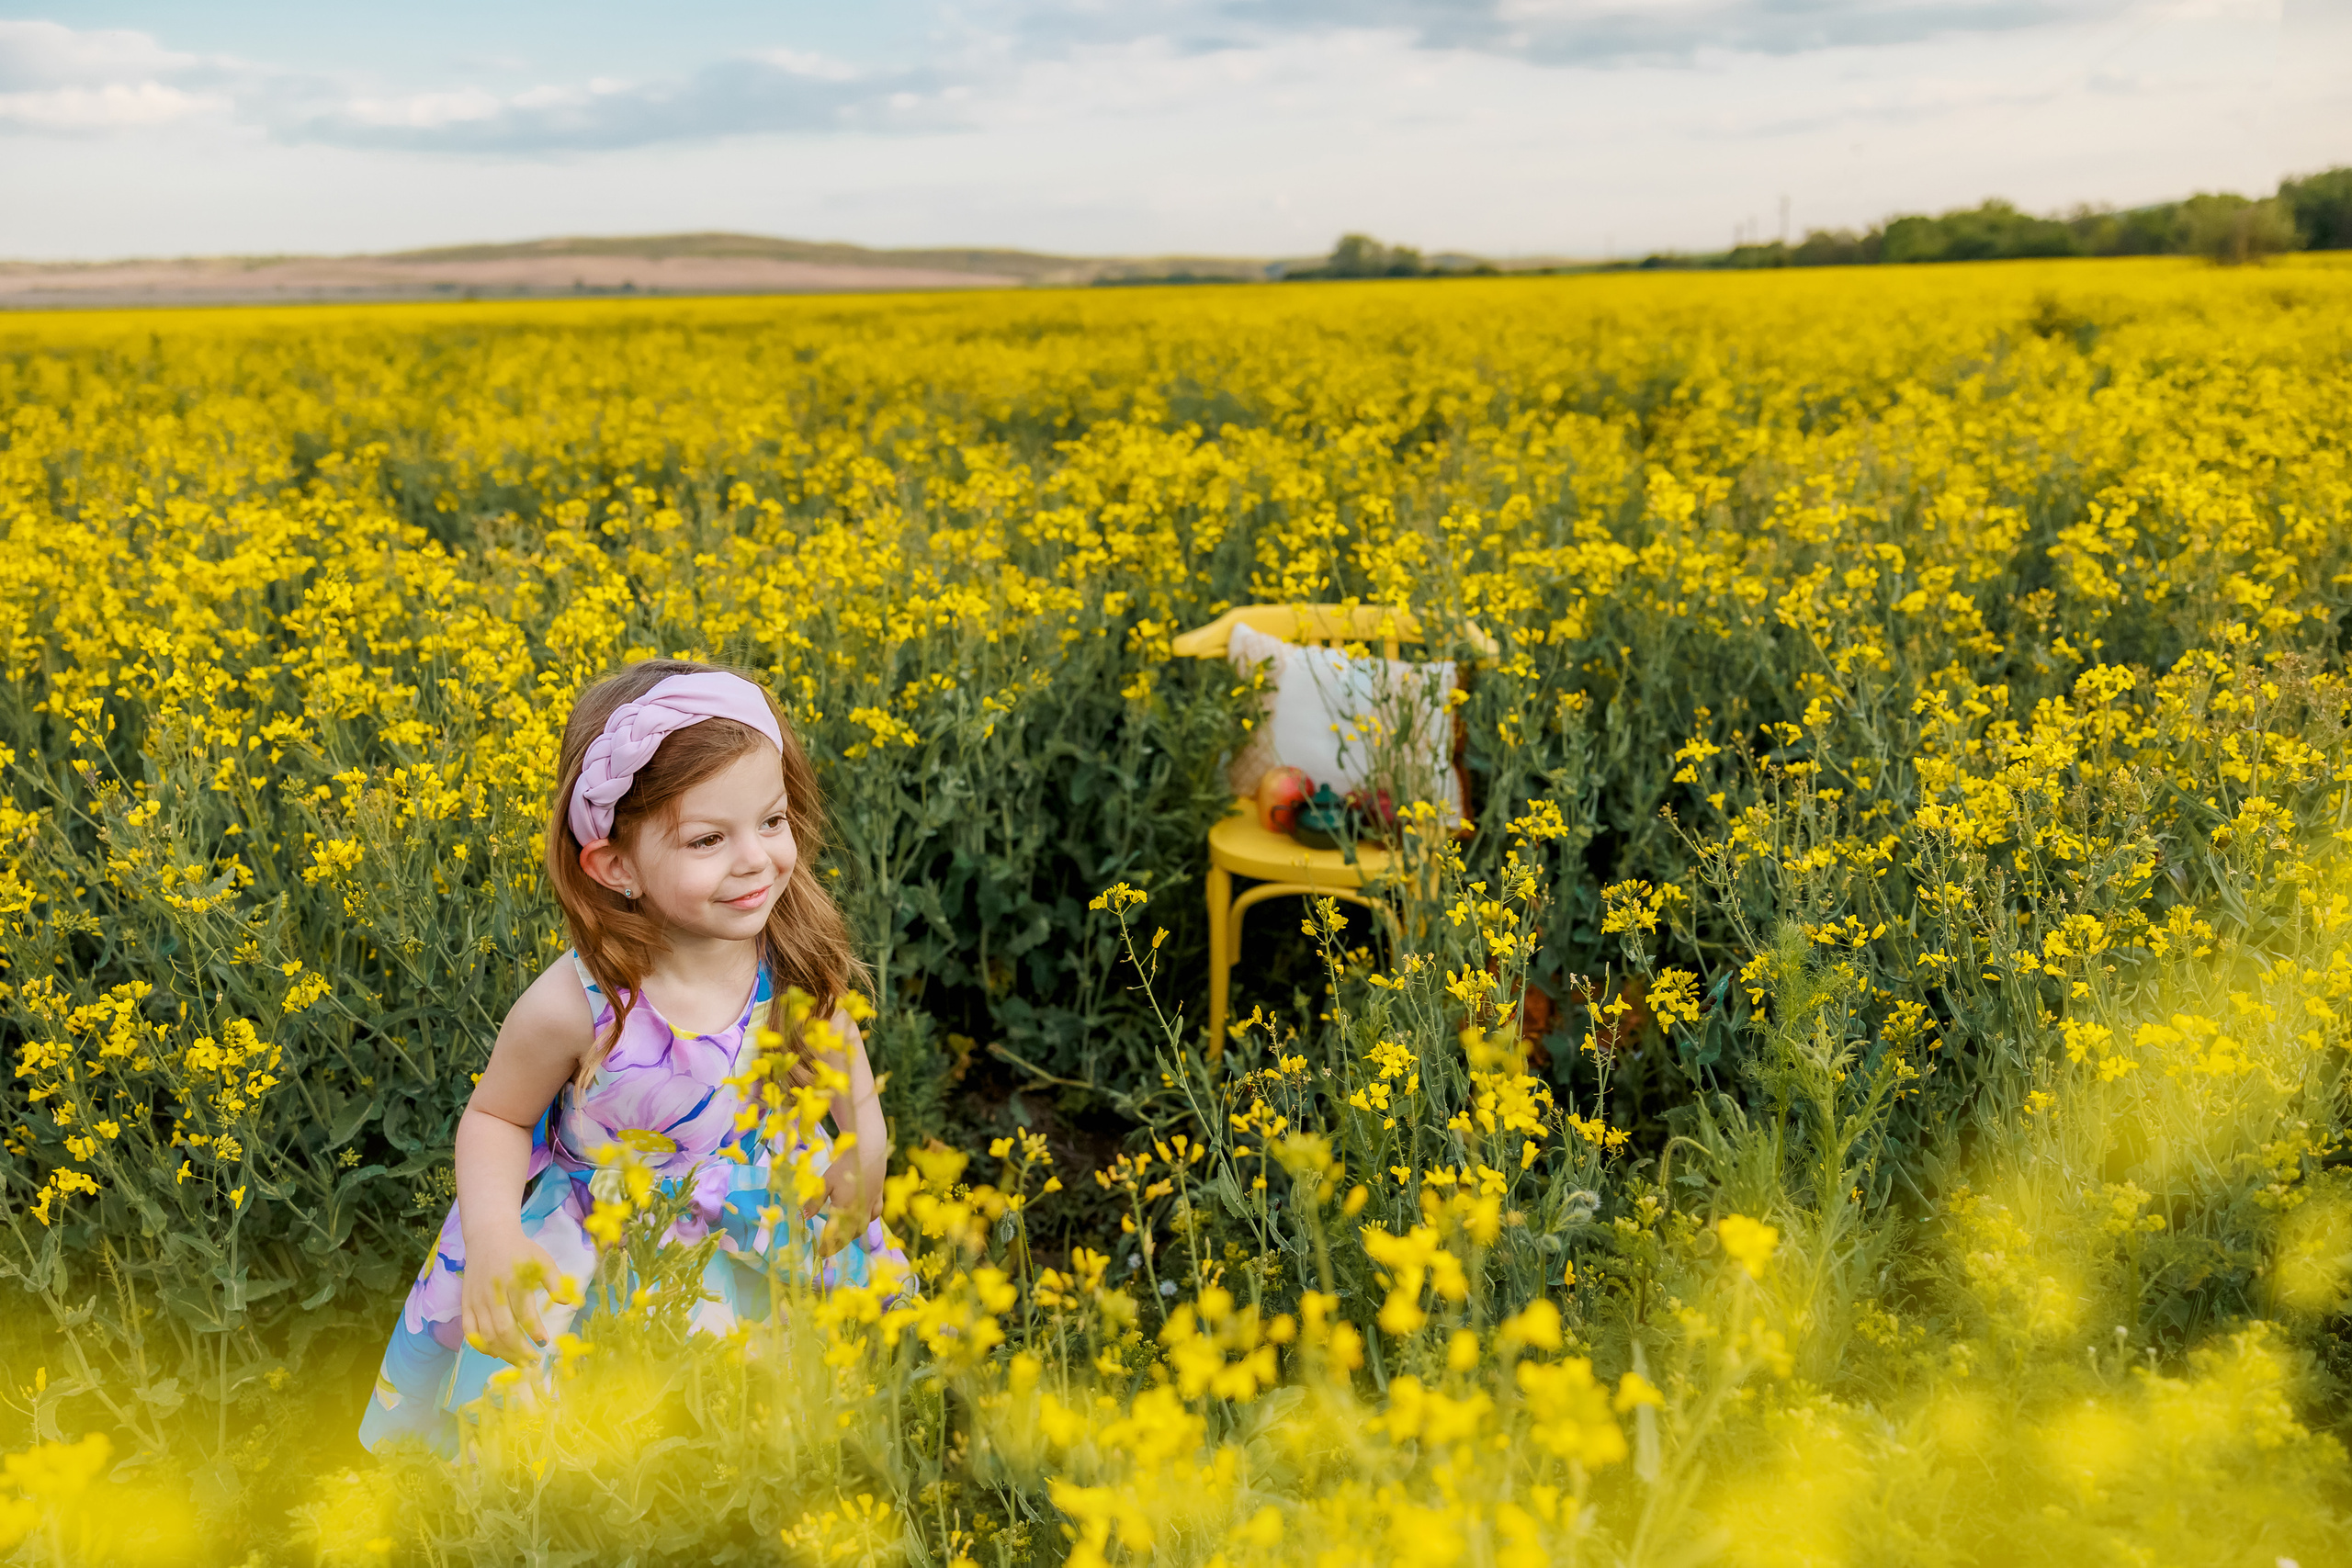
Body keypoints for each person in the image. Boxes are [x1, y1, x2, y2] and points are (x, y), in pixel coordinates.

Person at [358, 660, 907, 1457]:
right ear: (615, 865)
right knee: (587, 1448)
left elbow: (836, 1038)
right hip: (601, 1241)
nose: (756, 859)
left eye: (773, 820)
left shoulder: (785, 951)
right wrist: (496, 1237)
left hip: (759, 1211)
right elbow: (495, 1116)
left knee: (765, 1425)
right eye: (708, 839)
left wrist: (865, 1136)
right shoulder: (581, 1001)